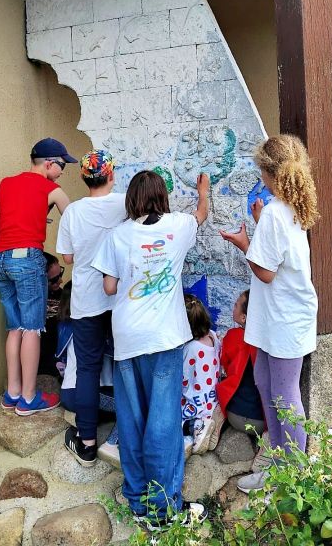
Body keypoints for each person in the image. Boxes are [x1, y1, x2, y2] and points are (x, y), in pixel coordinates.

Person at [92, 170, 210, 527]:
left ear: (132, 199)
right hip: (164, 336)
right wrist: (203, 190)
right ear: (162, 196)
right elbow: (201, 214)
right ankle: (163, 509)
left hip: (128, 336)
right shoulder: (178, 226)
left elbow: (109, 287)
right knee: (163, 421)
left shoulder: (117, 235)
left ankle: (137, 500)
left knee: (131, 419)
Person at [220, 135, 319, 493]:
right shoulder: (288, 207)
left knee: (285, 394)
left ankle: (292, 474)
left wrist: (245, 243)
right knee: (265, 381)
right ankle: (278, 461)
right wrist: (260, 228)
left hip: (284, 319)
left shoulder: (277, 213)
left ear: (268, 173)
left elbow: (266, 272)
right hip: (277, 316)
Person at [0, 137, 76, 415]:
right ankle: (29, 399)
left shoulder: (6, 183)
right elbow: (75, 221)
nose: (63, 171)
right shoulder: (52, 189)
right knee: (32, 328)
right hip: (27, 259)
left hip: (0, 260)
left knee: (15, 327)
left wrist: (16, 220)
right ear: (49, 164)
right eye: (62, 165)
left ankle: (13, 393)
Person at [56, 151, 126, 466]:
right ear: (111, 175)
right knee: (126, 364)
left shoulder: (73, 212)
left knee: (87, 369)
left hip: (87, 299)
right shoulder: (125, 204)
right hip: (122, 297)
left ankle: (86, 443)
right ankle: (128, 435)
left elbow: (67, 258)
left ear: (84, 178)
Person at [55, 281, 120, 468]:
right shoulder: (102, 326)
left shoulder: (65, 326)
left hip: (69, 392)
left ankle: (85, 435)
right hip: (96, 393)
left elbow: (60, 363)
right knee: (133, 405)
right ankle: (113, 441)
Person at [214, 290, 265, 445]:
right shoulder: (266, 341)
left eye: (236, 305)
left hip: (234, 416)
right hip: (263, 422)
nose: (233, 307)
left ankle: (214, 425)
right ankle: (264, 441)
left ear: (243, 318)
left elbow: (225, 364)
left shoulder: (233, 336)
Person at [181, 295, 220, 455]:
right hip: (211, 400)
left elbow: (183, 379)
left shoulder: (190, 348)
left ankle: (196, 429)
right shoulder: (213, 336)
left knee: (176, 418)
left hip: (196, 404)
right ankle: (201, 428)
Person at [38, 252, 64, 376]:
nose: (61, 280)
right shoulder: (31, 302)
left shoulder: (64, 296)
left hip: (59, 361)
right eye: (54, 280)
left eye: (60, 274)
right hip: (39, 364)